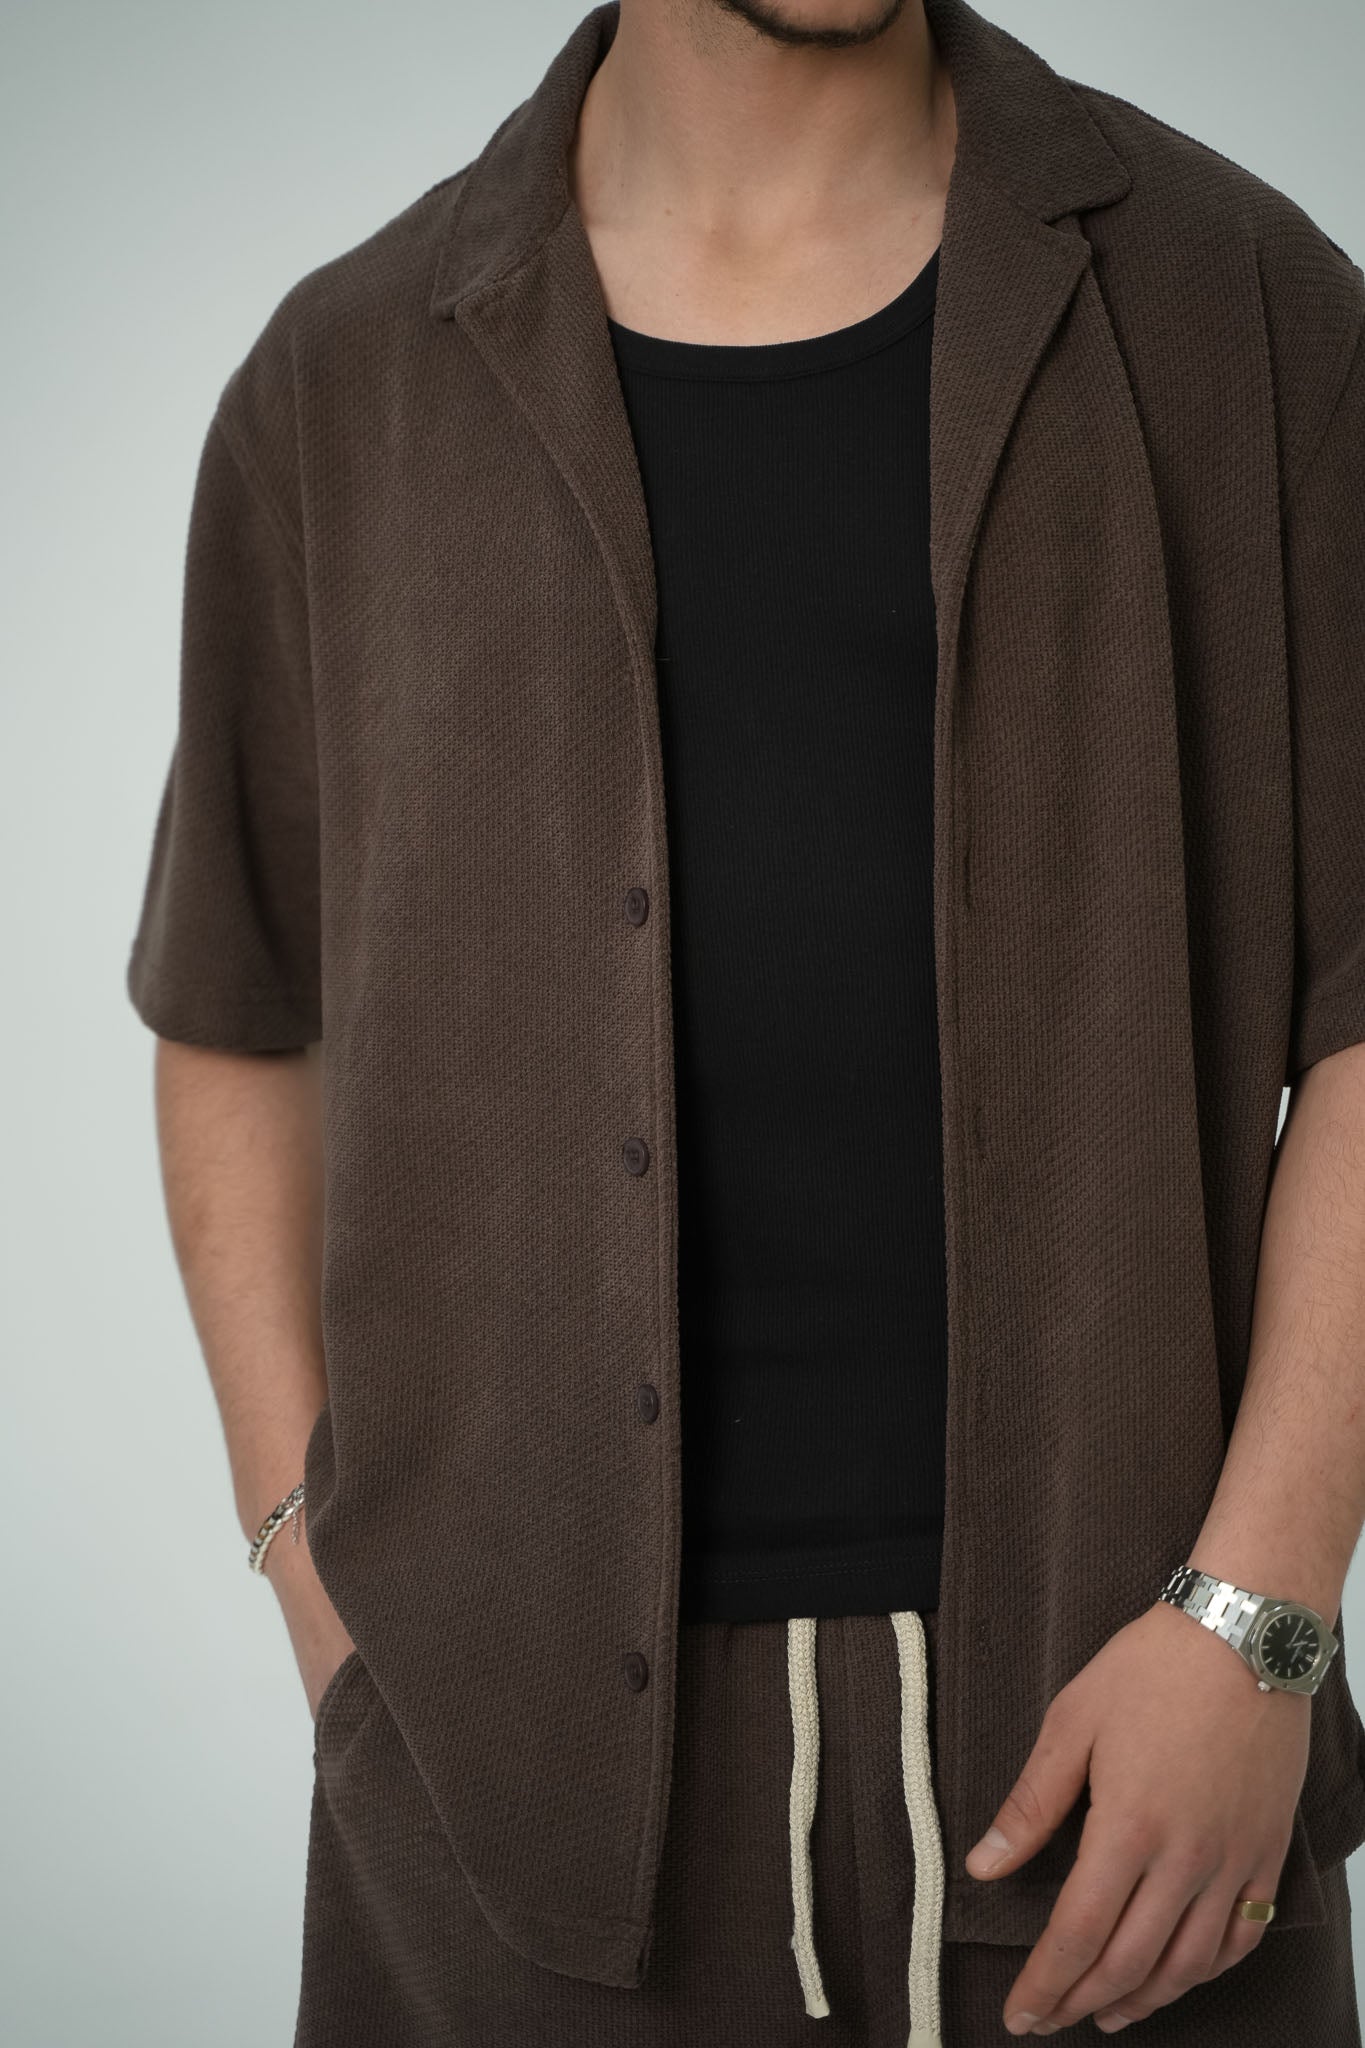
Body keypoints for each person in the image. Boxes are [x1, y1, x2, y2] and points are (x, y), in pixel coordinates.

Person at [124, 0, 1365, 2040]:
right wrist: (317, 1589)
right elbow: (235, 1012)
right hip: (494, 1814)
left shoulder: (1241, 306)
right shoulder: (340, 384)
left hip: (1134, 1768)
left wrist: (1256, 1618)